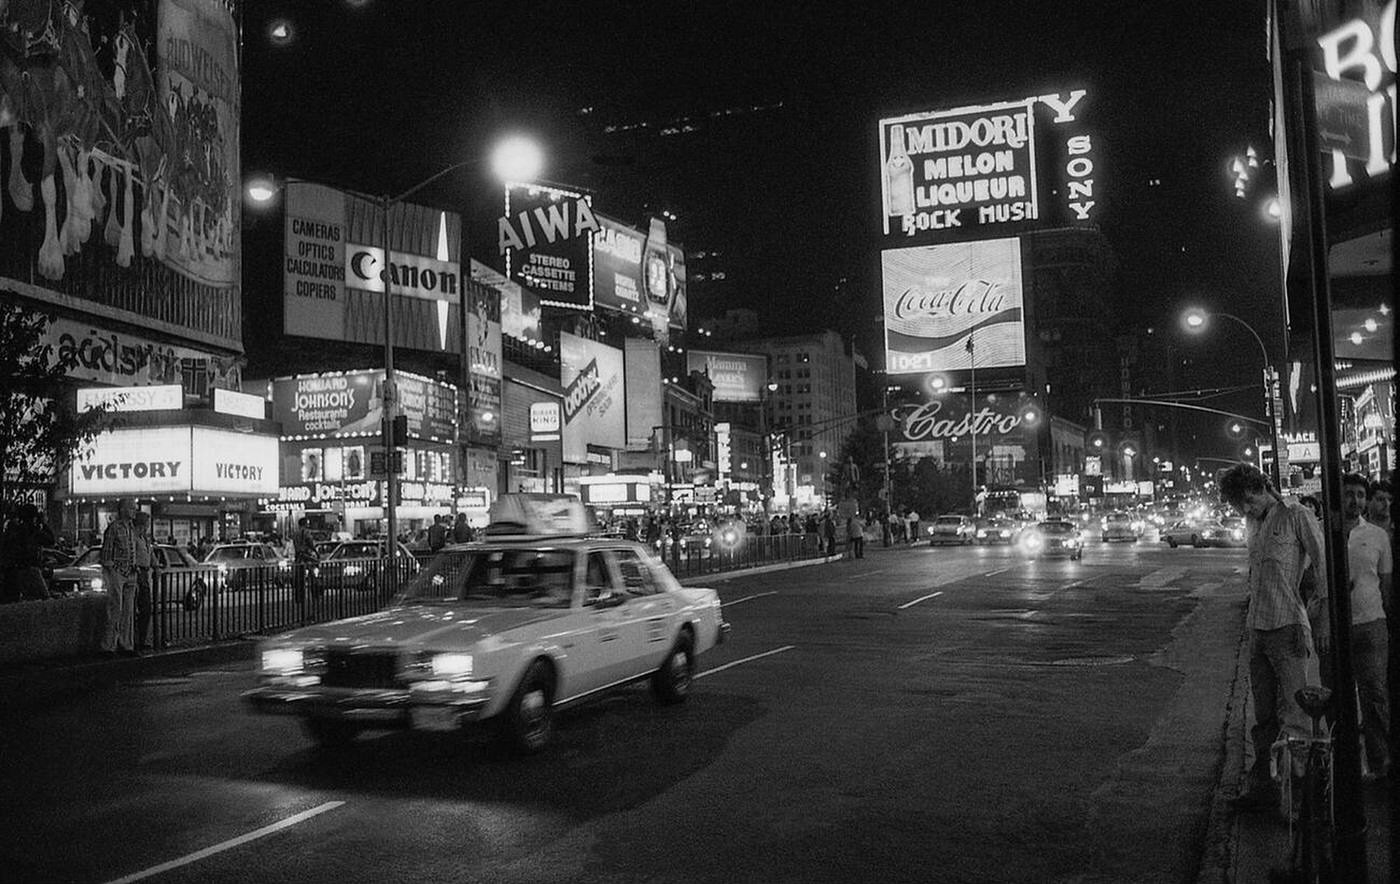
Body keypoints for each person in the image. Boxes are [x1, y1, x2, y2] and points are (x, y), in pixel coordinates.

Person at [1219, 464, 1329, 815]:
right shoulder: (1253, 524)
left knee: (1296, 714)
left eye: (1246, 503)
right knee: (1263, 716)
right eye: (1240, 507)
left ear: (1257, 489)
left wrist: (1320, 614)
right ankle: (1265, 788)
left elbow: (1324, 565)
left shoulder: (1297, 515)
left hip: (1287, 626)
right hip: (1258, 629)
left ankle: (1298, 800)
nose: (1245, 511)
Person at [1327, 473, 1392, 780]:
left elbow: (1386, 582)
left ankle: (1380, 762)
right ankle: (1343, 763)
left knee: (1375, 696)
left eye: (1360, 495)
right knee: (1336, 698)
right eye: (1349, 494)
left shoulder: (1378, 536)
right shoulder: (1326, 531)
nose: (1355, 501)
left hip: (1371, 624)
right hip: (1334, 628)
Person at [99, 499, 140, 656]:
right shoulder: (114, 528)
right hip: (117, 573)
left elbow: (132, 550)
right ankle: (109, 646)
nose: (134, 511)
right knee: (116, 609)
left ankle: (126, 644)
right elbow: (107, 553)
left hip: (130, 572)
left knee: (128, 612)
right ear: (123, 510)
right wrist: (112, 570)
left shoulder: (131, 528)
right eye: (132, 508)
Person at [1, 503, 56, 602]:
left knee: (28, 599)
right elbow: (50, 540)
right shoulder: (33, 531)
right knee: (46, 599)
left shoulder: (16, 530)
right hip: (31, 569)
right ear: (33, 517)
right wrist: (43, 523)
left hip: (18, 570)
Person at [131, 511, 160, 655]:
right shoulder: (134, 538)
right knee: (140, 608)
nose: (148, 526)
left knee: (146, 608)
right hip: (138, 573)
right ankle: (136, 640)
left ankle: (142, 640)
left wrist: (156, 566)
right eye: (147, 523)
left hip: (145, 573)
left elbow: (151, 555)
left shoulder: (145, 539)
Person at [292, 516, 320, 603]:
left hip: (298, 556)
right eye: (307, 523)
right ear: (304, 524)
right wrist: (316, 552)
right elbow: (310, 543)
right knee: (313, 575)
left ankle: (299, 597)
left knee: (299, 578)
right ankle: (315, 594)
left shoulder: (295, 533)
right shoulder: (306, 532)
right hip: (306, 556)